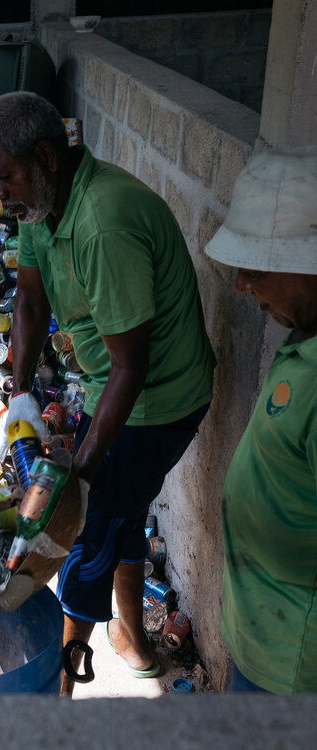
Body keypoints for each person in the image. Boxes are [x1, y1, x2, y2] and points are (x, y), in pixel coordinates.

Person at [0, 92, 215, 696]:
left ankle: (58, 689)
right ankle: (131, 638)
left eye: (5, 179)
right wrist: (21, 396)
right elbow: (29, 300)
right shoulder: (40, 208)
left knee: (83, 532)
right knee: (117, 514)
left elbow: (131, 369)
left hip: (159, 397)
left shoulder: (103, 221)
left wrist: (78, 476)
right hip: (113, 383)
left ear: (47, 157)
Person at [203, 145, 317, 694]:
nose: (243, 284)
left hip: (296, 659)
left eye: (258, 267)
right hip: (260, 632)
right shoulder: (303, 338)